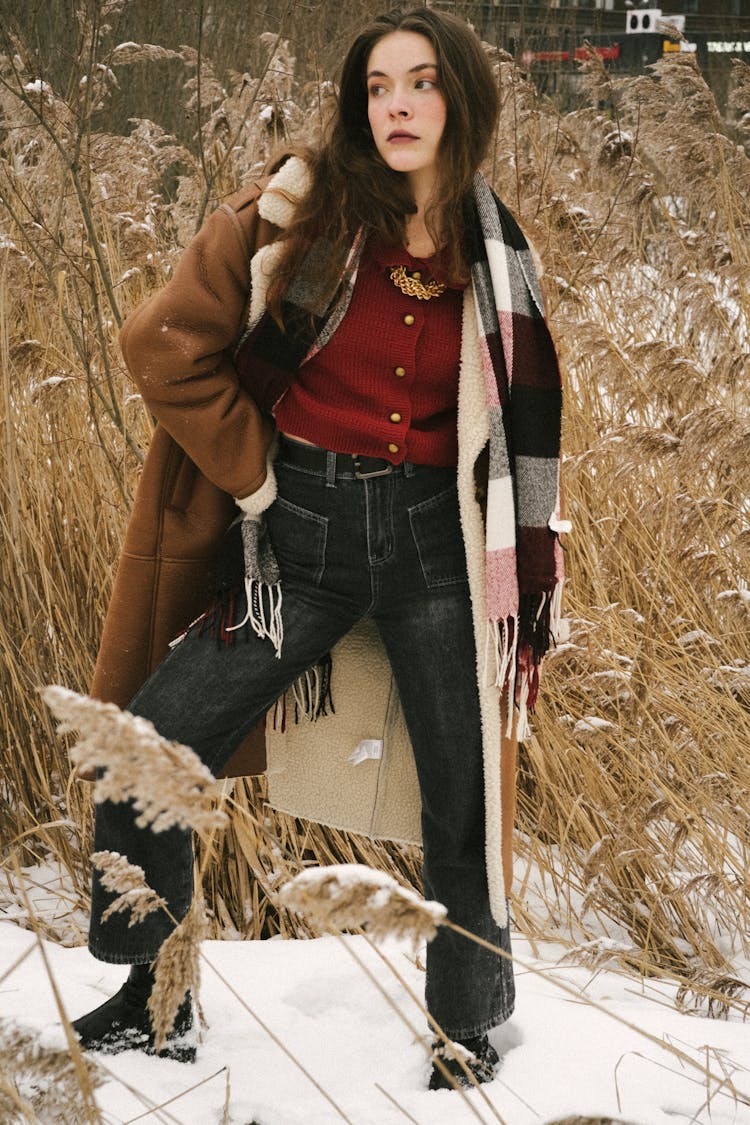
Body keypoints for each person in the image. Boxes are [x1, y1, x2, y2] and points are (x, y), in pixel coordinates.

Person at [71, 6, 566, 1091]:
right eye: (380, 84)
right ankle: (157, 998)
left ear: (460, 101)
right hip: (293, 544)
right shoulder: (298, 213)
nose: (398, 103)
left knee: (462, 796)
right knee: (142, 746)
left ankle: (467, 1024)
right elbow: (160, 342)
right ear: (359, 103)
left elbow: (511, 429)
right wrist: (254, 474)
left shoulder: (498, 251)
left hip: (438, 548)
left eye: (423, 82)